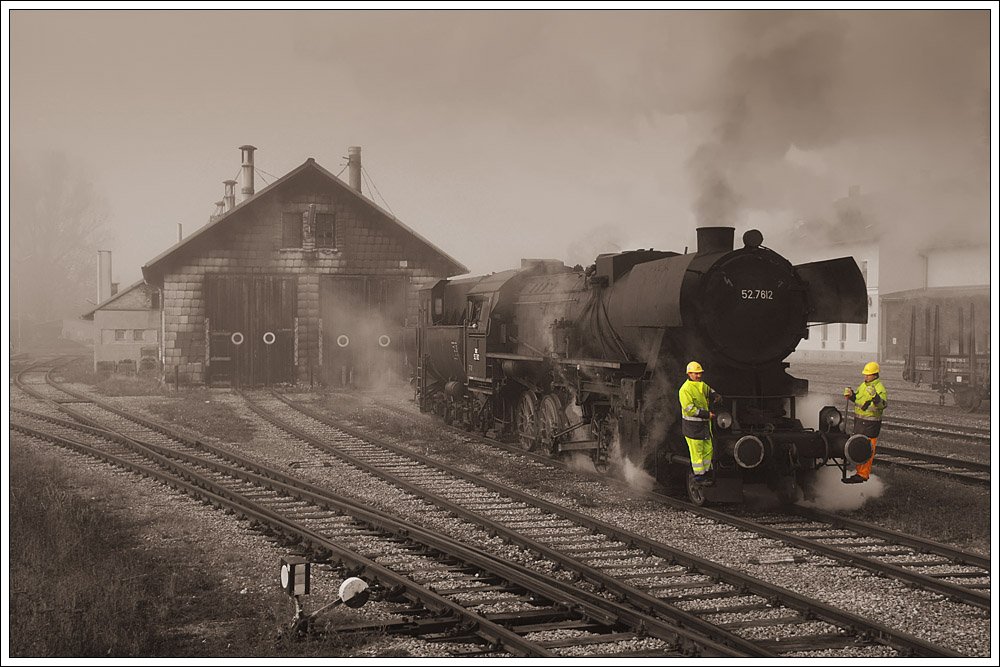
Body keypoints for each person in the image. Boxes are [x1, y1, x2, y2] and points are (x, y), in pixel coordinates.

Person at [842, 361, 888, 484]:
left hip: (871, 425)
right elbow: (859, 401)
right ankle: (858, 473)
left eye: (868, 375)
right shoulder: (863, 385)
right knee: (858, 448)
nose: (865, 376)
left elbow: (882, 405)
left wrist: (875, 397)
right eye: (865, 374)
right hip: (860, 423)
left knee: (867, 451)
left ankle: (863, 475)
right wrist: (851, 395)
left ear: (875, 375)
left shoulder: (879, 388)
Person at [678, 361, 722, 486]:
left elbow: (709, 390)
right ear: (689, 374)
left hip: (703, 426)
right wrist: (707, 415)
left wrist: (715, 395)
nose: (698, 376)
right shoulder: (685, 390)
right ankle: (698, 477)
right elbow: (690, 409)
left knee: (708, 449)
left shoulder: (701, 385)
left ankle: (707, 472)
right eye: (696, 374)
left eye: (699, 373)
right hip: (692, 428)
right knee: (697, 453)